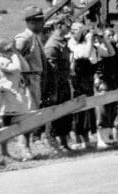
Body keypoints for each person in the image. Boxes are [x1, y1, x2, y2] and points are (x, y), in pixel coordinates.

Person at [0, 39, 34, 161]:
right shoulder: (1, 61)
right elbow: (16, 68)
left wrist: (18, 54)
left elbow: (25, 67)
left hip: (17, 95)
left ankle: (25, 148)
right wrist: (15, 55)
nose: (11, 52)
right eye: (8, 50)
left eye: (11, 49)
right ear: (1, 52)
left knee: (25, 121)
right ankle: (3, 152)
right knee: (6, 125)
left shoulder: (12, 58)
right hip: (8, 96)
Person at [43, 14, 73, 151]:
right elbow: (51, 71)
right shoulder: (52, 45)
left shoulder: (62, 42)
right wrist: (53, 90)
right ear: (59, 26)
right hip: (55, 84)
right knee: (53, 114)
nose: (70, 28)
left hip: (64, 83)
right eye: (68, 26)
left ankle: (63, 142)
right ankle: (52, 143)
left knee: (66, 112)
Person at [68, 23, 101, 149]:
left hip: (87, 80)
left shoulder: (89, 46)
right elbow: (85, 55)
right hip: (77, 80)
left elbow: (106, 54)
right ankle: (78, 139)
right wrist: (90, 41)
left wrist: (95, 41)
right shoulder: (73, 44)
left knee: (88, 109)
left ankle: (87, 138)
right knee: (78, 110)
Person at [94, 26, 118, 149]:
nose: (109, 38)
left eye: (110, 36)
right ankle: (100, 140)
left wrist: (104, 39)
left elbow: (112, 52)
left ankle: (108, 138)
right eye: (107, 36)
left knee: (111, 110)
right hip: (102, 81)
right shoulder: (96, 48)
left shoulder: (107, 47)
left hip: (111, 82)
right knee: (102, 111)